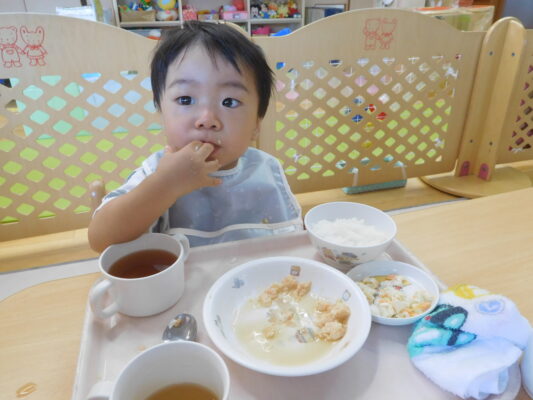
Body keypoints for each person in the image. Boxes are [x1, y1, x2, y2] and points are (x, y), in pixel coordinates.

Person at [88, 21, 302, 252]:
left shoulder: (266, 169)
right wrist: (165, 185)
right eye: (186, 100)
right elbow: (100, 240)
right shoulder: (157, 172)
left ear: (256, 125)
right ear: (162, 113)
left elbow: (293, 244)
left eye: (229, 102)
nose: (207, 119)